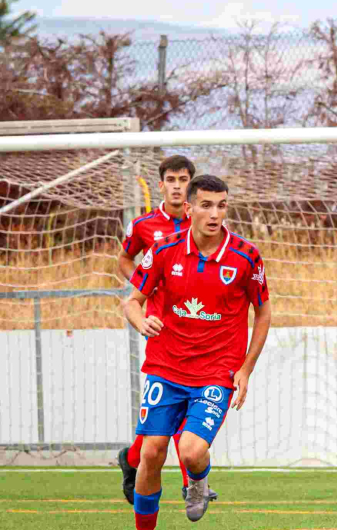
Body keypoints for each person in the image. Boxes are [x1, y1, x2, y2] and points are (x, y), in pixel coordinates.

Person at [123, 175, 272, 529]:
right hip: (165, 366)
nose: (215, 213)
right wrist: (141, 321)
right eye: (206, 205)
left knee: (190, 451)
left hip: (216, 372)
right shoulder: (162, 250)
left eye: (221, 205)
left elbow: (263, 312)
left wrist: (246, 369)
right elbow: (132, 302)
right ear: (189, 208)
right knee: (150, 452)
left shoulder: (246, 256)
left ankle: (198, 481)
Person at [115, 155, 219, 505]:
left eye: (183, 179)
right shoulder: (144, 226)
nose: (177, 185)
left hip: (196, 325)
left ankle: (134, 461)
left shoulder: (203, 221)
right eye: (171, 179)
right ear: (161, 185)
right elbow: (125, 260)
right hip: (161, 327)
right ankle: (193, 482)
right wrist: (147, 285)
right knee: (171, 417)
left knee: (172, 424)